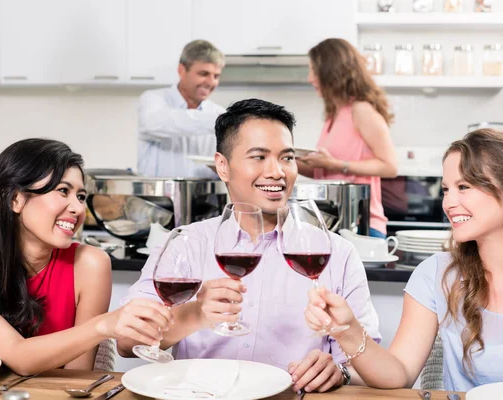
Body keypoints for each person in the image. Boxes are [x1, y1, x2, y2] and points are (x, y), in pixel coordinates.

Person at [118, 99, 381, 393]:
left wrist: (340, 372)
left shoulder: (337, 253)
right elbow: (128, 343)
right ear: (222, 166)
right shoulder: (185, 244)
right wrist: (195, 313)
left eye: (287, 157)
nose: (277, 172)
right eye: (259, 157)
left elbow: (368, 365)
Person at [304, 129, 503, 392]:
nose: (448, 203)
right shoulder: (435, 274)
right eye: (446, 189)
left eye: (464, 187)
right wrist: (348, 330)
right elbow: (398, 373)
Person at [0, 138, 172, 375]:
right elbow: (19, 355)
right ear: (15, 199)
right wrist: (103, 325)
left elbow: (77, 378)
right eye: (63, 191)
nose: (79, 209)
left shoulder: (89, 264)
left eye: (80, 196)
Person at [297, 38, 398, 238]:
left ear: (332, 72)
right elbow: (323, 170)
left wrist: (336, 164)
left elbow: (390, 166)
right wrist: (282, 158)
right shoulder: (334, 114)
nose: (310, 78)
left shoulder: (361, 110)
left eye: (314, 71)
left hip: (363, 225)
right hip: (336, 222)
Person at [137, 39, 225, 178]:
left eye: (216, 76)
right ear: (182, 70)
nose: (211, 82)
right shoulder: (154, 99)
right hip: (157, 197)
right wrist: (221, 120)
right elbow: (154, 123)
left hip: (204, 196)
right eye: (203, 74)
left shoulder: (218, 112)